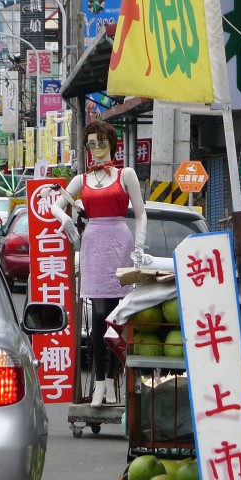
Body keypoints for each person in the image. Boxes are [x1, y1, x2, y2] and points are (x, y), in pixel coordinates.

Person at [48, 119, 148, 407]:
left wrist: (139, 247)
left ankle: (115, 382)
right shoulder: (81, 179)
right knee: (99, 316)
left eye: (101, 143)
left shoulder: (126, 174)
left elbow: (140, 213)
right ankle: (100, 384)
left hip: (119, 243)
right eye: (91, 144)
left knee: (117, 318)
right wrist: (64, 218)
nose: (96, 148)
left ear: (112, 144)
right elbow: (56, 204)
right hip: (94, 244)